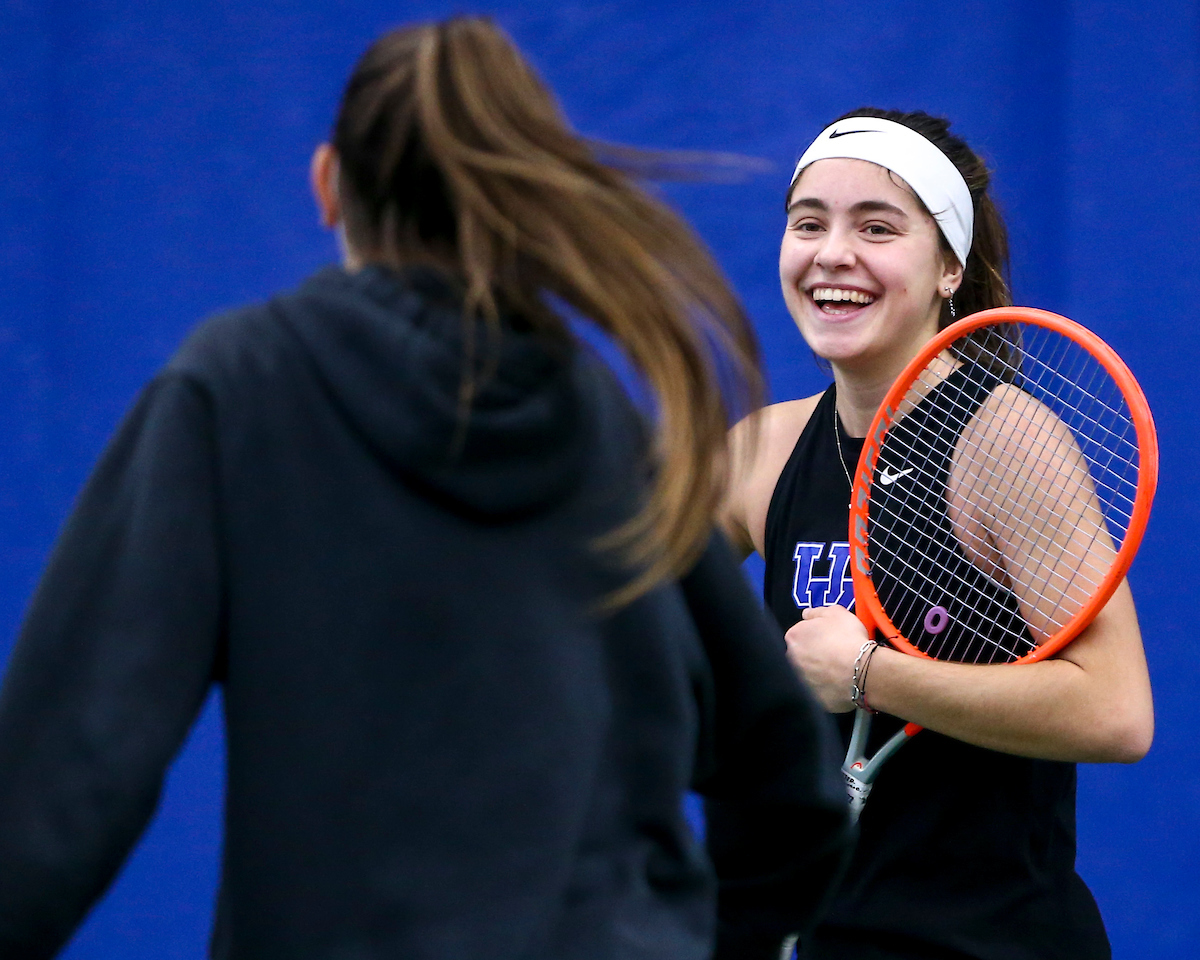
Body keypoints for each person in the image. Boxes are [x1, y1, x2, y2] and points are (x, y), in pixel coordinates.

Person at [0, 18, 854, 960]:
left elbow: (71, 771)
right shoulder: (592, 421)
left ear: (328, 186)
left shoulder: (236, 390)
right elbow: (788, 787)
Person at [719, 109, 1154, 959]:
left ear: (949, 265)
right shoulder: (759, 451)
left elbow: (1115, 712)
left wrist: (867, 673)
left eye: (876, 227)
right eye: (809, 223)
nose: (833, 254)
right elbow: (606, 607)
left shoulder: (1005, 444)